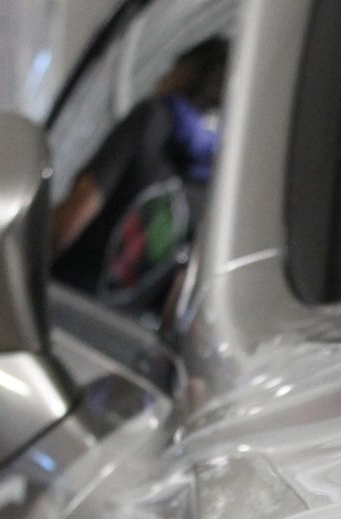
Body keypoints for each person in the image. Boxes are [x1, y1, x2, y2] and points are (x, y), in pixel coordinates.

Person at [51, 38, 227, 326]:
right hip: (119, 337)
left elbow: (81, 205)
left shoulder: (151, 118)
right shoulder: (216, 176)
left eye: (172, 68)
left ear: (186, 72)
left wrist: (22, 272)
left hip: (62, 308)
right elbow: (180, 291)